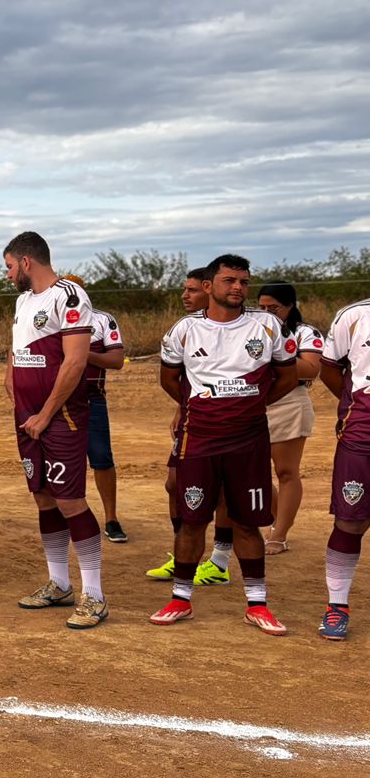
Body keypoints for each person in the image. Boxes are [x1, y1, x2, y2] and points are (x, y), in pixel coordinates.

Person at [151, 255, 296, 635]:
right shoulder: (184, 329)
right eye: (229, 280)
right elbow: (169, 379)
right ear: (210, 285)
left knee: (246, 523)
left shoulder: (267, 326)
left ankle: (257, 605)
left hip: (249, 440)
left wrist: (252, 404)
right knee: (192, 521)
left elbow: (287, 377)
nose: (238, 288)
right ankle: (180, 600)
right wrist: (196, 406)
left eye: (244, 282)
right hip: (199, 439)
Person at [3, 232, 109, 628]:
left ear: (26, 262)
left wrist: (46, 413)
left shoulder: (69, 295)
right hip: (27, 417)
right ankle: (59, 583)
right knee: (44, 497)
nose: (8, 274)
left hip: (60, 417)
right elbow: (17, 352)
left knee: (70, 500)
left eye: (9, 266)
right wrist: (12, 384)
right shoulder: (22, 301)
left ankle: (95, 595)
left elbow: (75, 362)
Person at [146, 268, 232, 580]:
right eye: (185, 289)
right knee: (174, 484)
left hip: (229, 423)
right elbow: (177, 378)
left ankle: (219, 561)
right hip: (192, 419)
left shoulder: (234, 329)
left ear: (210, 290)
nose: (185, 295)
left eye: (192, 290)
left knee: (223, 490)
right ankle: (182, 553)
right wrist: (183, 407)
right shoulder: (186, 328)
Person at [257, 283, 325, 554]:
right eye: (261, 307)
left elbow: (310, 369)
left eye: (273, 308)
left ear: (290, 306)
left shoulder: (304, 332)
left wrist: (276, 352)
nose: (266, 313)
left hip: (289, 402)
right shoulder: (249, 329)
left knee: (286, 471)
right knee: (254, 471)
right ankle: (277, 519)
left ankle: (280, 534)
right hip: (252, 402)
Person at [320, 296, 370, 639]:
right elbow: (328, 368)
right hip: (362, 434)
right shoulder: (354, 315)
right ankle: (337, 606)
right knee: (350, 521)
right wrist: (354, 408)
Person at [68, 277, 128, 543]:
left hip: (92, 400)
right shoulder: (49, 320)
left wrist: (79, 353)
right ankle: (73, 518)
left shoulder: (102, 320)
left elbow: (116, 360)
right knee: (66, 460)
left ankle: (111, 519)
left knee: (102, 458)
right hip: (57, 402)